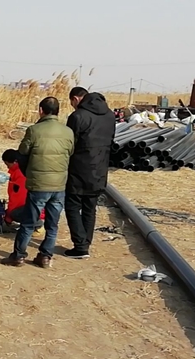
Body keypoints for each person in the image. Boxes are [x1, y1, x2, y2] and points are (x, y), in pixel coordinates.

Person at [2, 97, 74, 268]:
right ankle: (45, 257)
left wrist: (28, 172)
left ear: (41, 110)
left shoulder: (34, 130)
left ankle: (18, 256)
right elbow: (70, 152)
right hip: (59, 185)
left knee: (28, 222)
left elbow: (22, 152)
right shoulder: (68, 132)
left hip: (39, 185)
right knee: (52, 225)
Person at [64, 87, 116, 259]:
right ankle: (85, 243)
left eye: (72, 102)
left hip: (79, 168)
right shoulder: (110, 115)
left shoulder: (77, 116)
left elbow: (69, 143)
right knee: (90, 208)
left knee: (72, 206)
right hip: (100, 168)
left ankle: (80, 246)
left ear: (76, 99)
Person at [1, 149, 45, 238]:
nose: (7, 167)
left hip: (36, 208)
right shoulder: (21, 169)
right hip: (38, 205)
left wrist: (9, 216)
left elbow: (19, 198)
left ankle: (38, 225)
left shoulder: (20, 175)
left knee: (14, 214)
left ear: (14, 162)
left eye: (7, 164)